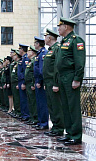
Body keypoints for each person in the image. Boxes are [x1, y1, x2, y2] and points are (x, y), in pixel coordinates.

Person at [56, 17, 85, 145]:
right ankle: (69, 133)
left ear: (66, 27)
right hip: (62, 77)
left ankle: (76, 135)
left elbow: (79, 62)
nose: (58, 29)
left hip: (70, 76)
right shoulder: (64, 41)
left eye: (60, 26)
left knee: (73, 106)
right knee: (65, 107)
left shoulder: (76, 40)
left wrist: (77, 79)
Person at [43, 28, 65, 137]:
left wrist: (56, 83)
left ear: (50, 37)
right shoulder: (50, 50)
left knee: (56, 105)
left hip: (53, 81)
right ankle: (55, 127)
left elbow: (57, 67)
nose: (44, 39)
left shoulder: (57, 48)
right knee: (51, 105)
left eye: (45, 37)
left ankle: (59, 128)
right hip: (48, 81)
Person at [33, 36, 49, 130]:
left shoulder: (43, 53)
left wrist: (39, 81)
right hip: (37, 81)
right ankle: (40, 121)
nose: (34, 45)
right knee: (39, 103)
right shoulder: (39, 54)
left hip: (41, 82)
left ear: (38, 44)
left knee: (42, 103)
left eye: (35, 43)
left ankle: (44, 123)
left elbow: (41, 69)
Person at [24, 46, 38, 126]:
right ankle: (32, 118)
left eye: (29, 51)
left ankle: (35, 118)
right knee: (30, 101)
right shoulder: (30, 61)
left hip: (31, 83)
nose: (27, 53)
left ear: (32, 52)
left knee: (33, 102)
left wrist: (33, 83)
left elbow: (34, 73)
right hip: (28, 83)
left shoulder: (33, 61)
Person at [17, 44, 30, 121]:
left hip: (23, 80)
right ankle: (23, 114)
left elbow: (26, 71)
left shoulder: (26, 59)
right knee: (22, 99)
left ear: (22, 50)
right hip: (20, 80)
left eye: (20, 49)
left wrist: (24, 82)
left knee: (24, 99)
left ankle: (26, 115)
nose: (19, 51)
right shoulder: (22, 58)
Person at [10, 50, 22, 118]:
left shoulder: (19, 63)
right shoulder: (15, 64)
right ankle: (17, 111)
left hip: (17, 83)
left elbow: (19, 74)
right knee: (15, 98)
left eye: (14, 55)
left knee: (18, 98)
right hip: (14, 82)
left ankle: (19, 111)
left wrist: (18, 82)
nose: (13, 57)